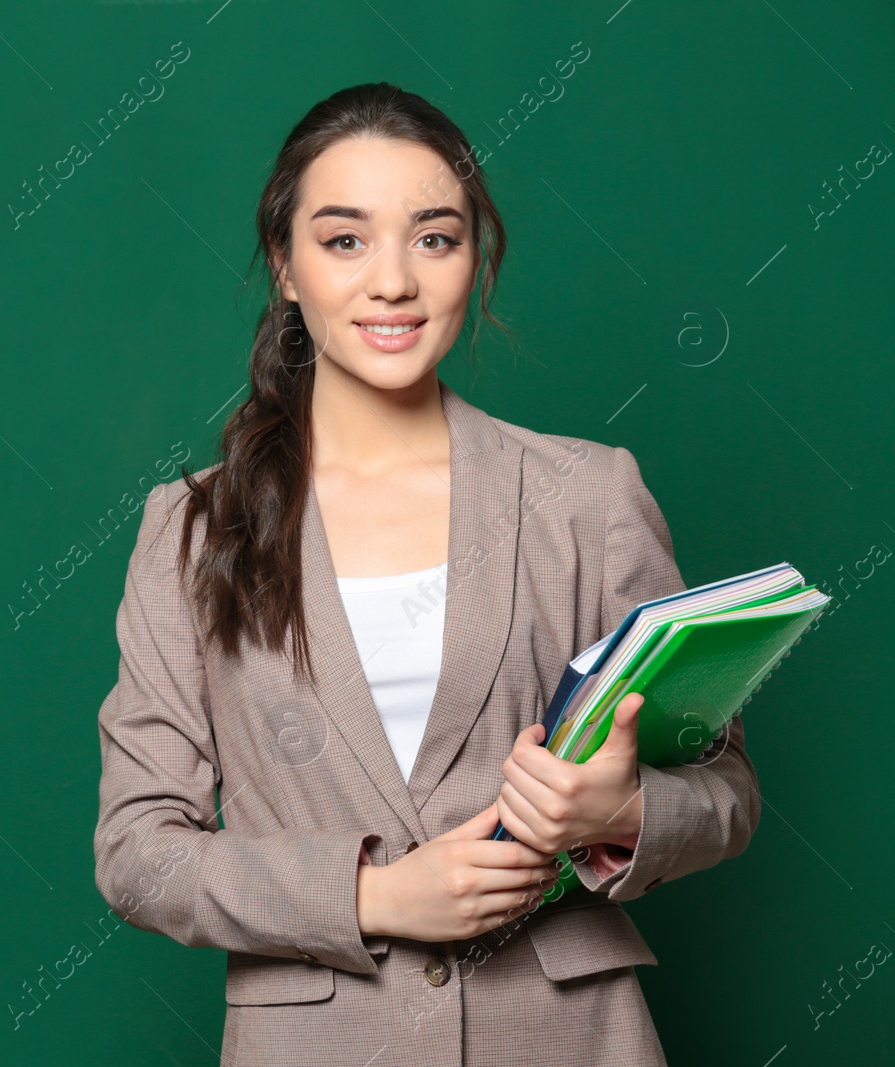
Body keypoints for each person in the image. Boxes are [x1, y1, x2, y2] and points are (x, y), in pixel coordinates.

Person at [91, 82, 760, 1066]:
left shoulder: (588, 497)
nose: (393, 281)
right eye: (344, 239)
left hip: (566, 1037)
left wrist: (614, 814)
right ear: (285, 265)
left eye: (434, 237)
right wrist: (371, 895)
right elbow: (139, 856)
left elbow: (726, 789)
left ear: (473, 257)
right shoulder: (191, 529)